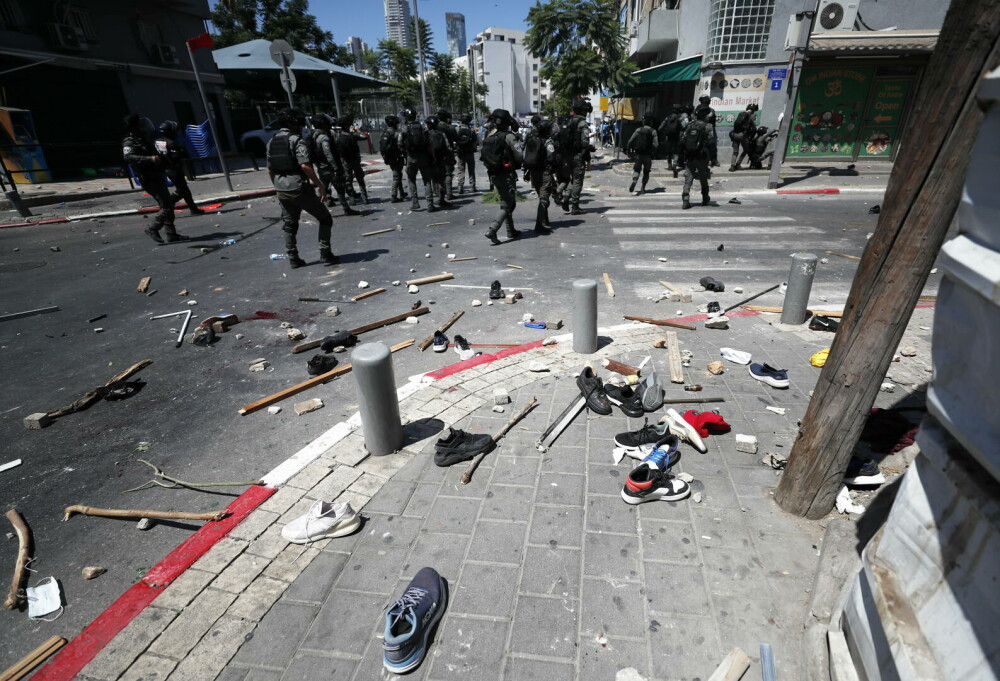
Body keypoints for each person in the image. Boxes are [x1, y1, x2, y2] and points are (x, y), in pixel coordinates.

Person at [265, 108, 336, 268]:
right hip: (298, 187)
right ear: (295, 124)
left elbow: (270, 169)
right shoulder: (296, 140)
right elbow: (305, 165)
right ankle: (325, 253)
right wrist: (319, 185)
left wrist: (277, 185)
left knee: (290, 225)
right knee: (325, 218)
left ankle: (293, 258)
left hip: (282, 189)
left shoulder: (272, 141)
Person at [123, 114, 187, 244]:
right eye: (141, 125)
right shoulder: (129, 141)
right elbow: (128, 157)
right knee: (167, 205)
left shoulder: (144, 138)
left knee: (167, 203)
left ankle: (171, 234)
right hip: (147, 178)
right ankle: (153, 228)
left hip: (156, 175)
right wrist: (149, 159)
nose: (144, 127)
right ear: (135, 127)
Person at [480, 109, 523, 245]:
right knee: (508, 205)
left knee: (506, 201)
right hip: (506, 174)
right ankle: (493, 229)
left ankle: (511, 230)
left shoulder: (489, 134)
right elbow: (520, 155)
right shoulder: (508, 137)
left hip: (494, 173)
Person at [311, 114, 358, 216]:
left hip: (321, 167)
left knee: (323, 188)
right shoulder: (323, 138)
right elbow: (328, 153)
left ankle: (319, 210)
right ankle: (346, 209)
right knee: (340, 189)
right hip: (329, 168)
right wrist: (335, 167)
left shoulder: (312, 136)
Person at [155, 121, 203, 215]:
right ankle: (167, 205)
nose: (176, 133)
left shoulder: (158, 141)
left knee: (185, 190)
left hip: (166, 168)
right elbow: (175, 157)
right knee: (182, 191)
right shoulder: (171, 143)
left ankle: (193, 209)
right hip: (174, 169)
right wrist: (180, 150)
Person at [558, 100, 592, 215]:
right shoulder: (583, 124)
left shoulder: (569, 121)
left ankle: (566, 198)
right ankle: (575, 206)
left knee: (572, 179)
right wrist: (587, 154)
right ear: (583, 110)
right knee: (577, 181)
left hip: (567, 156)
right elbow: (585, 143)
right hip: (578, 156)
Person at [522, 116, 555, 235]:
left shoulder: (531, 139)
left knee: (541, 197)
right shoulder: (548, 141)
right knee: (544, 199)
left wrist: (526, 172)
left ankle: (544, 220)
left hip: (533, 172)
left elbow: (527, 156)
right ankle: (539, 224)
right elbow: (551, 157)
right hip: (544, 172)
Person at [399, 108, 436, 211]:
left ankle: (415, 203)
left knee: (411, 180)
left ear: (406, 117)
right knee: (427, 181)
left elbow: (400, 143)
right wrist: (431, 156)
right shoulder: (423, 127)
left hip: (411, 157)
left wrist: (405, 153)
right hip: (424, 157)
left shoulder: (404, 128)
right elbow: (430, 143)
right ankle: (430, 205)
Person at [679, 107, 713, 210]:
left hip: (690, 155)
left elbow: (682, 140)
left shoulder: (689, 125)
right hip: (702, 156)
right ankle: (705, 197)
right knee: (703, 177)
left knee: (688, 178)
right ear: (705, 116)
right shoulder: (708, 126)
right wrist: (713, 158)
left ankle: (685, 199)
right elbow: (711, 142)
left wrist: (682, 155)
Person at [334, 116, 369, 204]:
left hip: (345, 161)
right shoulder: (353, 136)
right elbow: (365, 136)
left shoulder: (339, 137)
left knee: (348, 181)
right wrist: (357, 130)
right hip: (355, 160)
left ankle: (352, 199)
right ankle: (365, 198)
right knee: (360, 179)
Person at [424, 115, 452, 211]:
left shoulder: (425, 134)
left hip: (429, 161)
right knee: (441, 180)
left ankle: (430, 204)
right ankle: (441, 199)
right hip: (440, 161)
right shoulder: (441, 134)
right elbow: (448, 147)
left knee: (429, 181)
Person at [627, 115, 659, 195]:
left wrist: (629, 151)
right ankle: (643, 188)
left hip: (638, 155)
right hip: (648, 155)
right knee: (646, 171)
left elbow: (630, 141)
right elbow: (656, 144)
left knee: (637, 169)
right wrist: (653, 152)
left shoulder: (638, 130)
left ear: (644, 121)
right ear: (651, 122)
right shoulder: (653, 131)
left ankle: (635, 180)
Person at [380, 114, 408, 203]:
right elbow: (401, 145)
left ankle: (402, 193)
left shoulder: (384, 133)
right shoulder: (396, 134)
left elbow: (382, 147)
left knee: (398, 174)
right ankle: (394, 195)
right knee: (396, 176)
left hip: (389, 158)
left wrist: (385, 157)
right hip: (396, 157)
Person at [436, 109, 459, 201]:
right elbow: (457, 139)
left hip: (436, 154)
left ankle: (438, 194)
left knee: (438, 175)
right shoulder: (450, 128)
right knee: (448, 174)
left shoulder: (434, 126)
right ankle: (449, 193)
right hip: (447, 153)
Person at [729, 103, 759, 171]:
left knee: (735, 151)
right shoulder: (751, 116)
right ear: (753, 110)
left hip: (735, 135)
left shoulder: (741, 113)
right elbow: (754, 129)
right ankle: (738, 164)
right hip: (743, 136)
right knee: (746, 150)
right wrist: (751, 138)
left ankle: (732, 166)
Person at [455, 114, 479, 194]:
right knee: (471, 170)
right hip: (470, 153)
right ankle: (472, 187)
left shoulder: (457, 129)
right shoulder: (471, 130)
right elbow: (476, 142)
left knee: (461, 170)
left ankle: (460, 187)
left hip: (460, 153)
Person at [694, 95, 720, 167]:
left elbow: (693, 118)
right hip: (707, 128)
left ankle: (712, 159)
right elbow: (713, 122)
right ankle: (713, 160)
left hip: (698, 128)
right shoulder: (711, 111)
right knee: (711, 144)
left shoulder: (697, 109)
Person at [658, 106, 684, 177]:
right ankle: (674, 165)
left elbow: (660, 128)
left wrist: (665, 133)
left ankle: (669, 165)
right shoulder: (678, 119)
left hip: (668, 137)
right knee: (676, 152)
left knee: (669, 152)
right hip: (676, 138)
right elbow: (682, 128)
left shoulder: (667, 118)